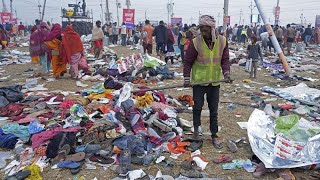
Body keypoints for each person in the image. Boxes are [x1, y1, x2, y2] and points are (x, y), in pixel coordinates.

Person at [184, 15, 231, 149]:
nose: (203, 33)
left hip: (215, 82)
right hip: (199, 82)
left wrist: (226, 73)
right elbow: (188, 61)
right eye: (201, 30)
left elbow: (225, 60)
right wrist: (187, 78)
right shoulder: (196, 42)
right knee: (197, 108)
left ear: (212, 29)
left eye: (205, 30)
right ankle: (197, 133)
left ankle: (214, 135)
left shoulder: (222, 41)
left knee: (214, 110)